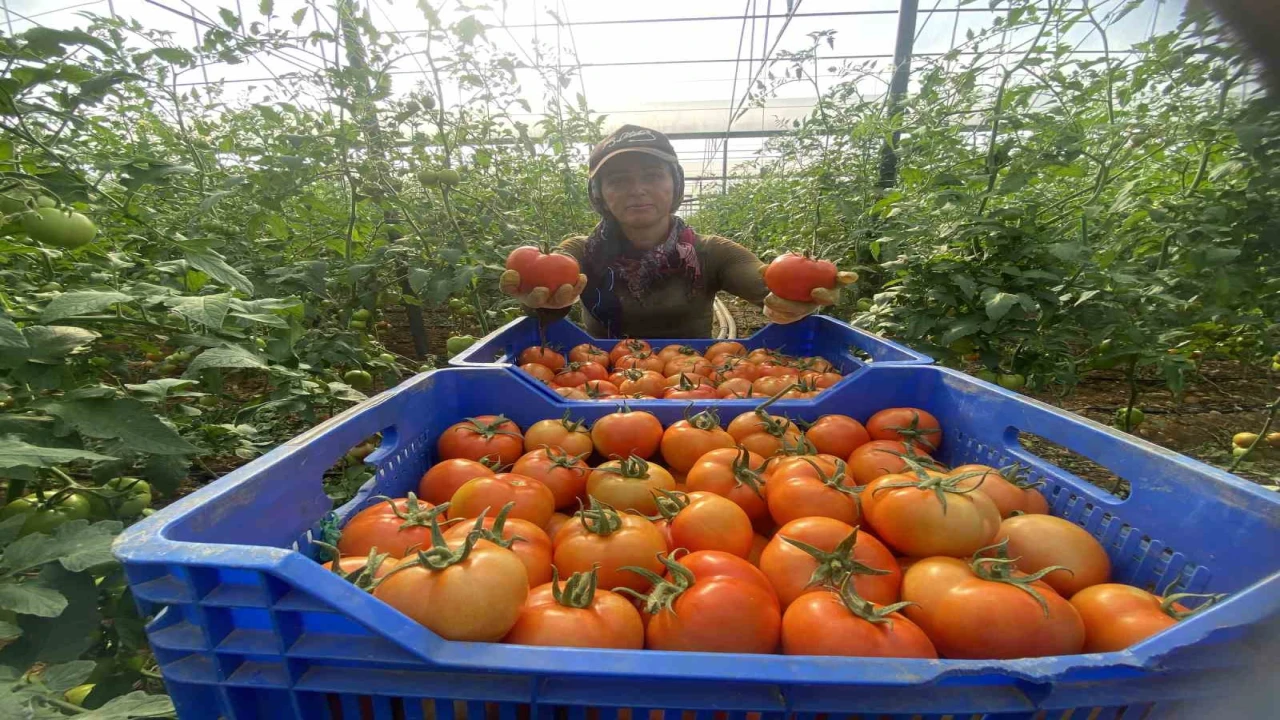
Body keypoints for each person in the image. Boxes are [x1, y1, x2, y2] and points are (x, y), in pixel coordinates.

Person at [499, 124, 854, 338]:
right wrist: (545, 302)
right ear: (600, 195)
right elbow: (554, 285)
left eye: (653, 176)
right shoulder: (580, 251)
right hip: (600, 381)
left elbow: (768, 285)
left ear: (676, 185)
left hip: (691, 383)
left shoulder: (712, 252)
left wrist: (800, 296)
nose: (637, 189)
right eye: (619, 180)